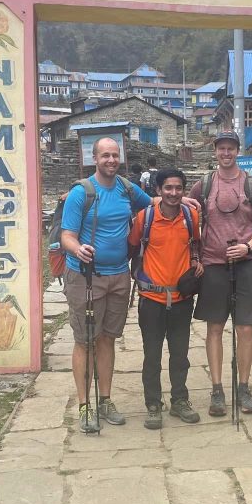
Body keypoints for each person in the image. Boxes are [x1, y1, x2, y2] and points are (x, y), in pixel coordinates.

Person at [61, 137, 150, 429]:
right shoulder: (81, 193)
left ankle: (105, 399)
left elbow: (152, 204)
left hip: (119, 275)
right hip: (85, 277)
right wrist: (78, 249)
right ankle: (84, 405)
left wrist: (181, 199)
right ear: (94, 158)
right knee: (85, 340)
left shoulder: (127, 188)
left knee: (108, 338)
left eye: (115, 155)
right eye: (105, 156)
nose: (111, 160)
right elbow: (67, 235)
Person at [190, 131, 252, 416]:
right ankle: (216, 389)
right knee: (214, 327)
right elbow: (190, 219)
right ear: (215, 151)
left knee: (245, 328)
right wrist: (195, 256)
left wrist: (247, 246)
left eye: (231, 148)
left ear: (238, 151)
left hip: (246, 263)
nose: (226, 153)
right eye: (222, 148)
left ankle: (244, 387)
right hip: (213, 264)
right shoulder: (203, 185)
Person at [129, 168, 204, 430]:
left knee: (180, 354)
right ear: (158, 190)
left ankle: (179, 400)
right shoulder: (145, 218)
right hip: (152, 297)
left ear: (184, 190)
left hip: (182, 297)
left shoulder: (190, 216)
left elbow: (195, 244)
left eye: (178, 188)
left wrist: (196, 261)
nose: (173, 193)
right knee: (152, 355)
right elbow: (132, 246)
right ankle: (153, 404)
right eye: (168, 188)